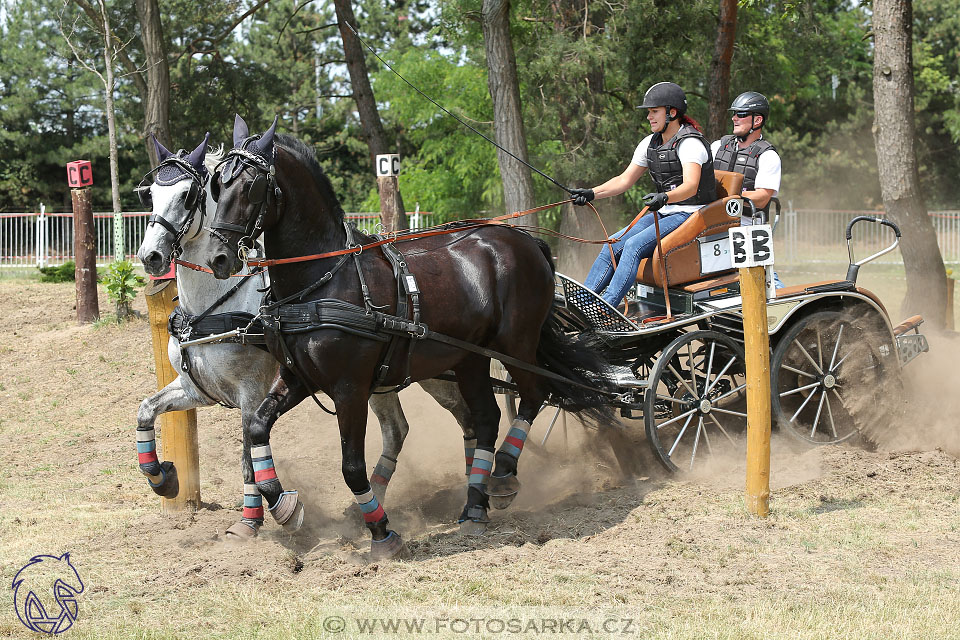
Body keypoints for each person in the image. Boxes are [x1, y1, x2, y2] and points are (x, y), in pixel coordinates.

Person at [570, 82, 716, 309]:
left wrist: (665, 197)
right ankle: (581, 305)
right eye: (648, 112)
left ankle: (606, 307)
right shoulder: (650, 143)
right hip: (666, 211)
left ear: (672, 113)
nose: (649, 117)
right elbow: (624, 180)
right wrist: (592, 193)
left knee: (633, 247)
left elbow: (690, 186)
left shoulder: (690, 143)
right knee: (612, 244)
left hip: (690, 214)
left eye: (654, 111)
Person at [711, 91, 784, 288]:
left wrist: (728, 195)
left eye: (741, 114)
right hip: (713, 223)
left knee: (764, 282)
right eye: (734, 113)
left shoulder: (768, 156)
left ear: (757, 120)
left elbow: (761, 197)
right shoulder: (718, 146)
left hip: (747, 227)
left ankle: (786, 307)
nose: (734, 118)